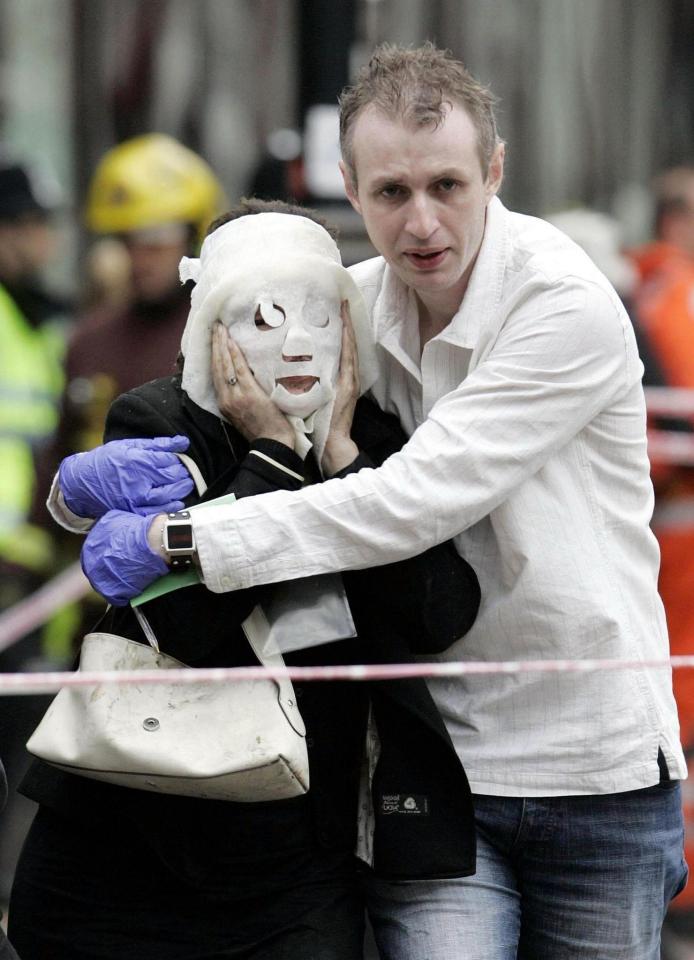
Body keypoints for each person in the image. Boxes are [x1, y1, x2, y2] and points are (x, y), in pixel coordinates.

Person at [10, 198, 480, 959]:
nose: (296, 344)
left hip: (295, 854)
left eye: (318, 315)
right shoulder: (160, 423)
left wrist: (344, 468)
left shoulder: (375, 438)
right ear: (215, 328)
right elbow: (191, 629)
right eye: (265, 316)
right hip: (133, 827)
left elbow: (438, 616)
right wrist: (270, 459)